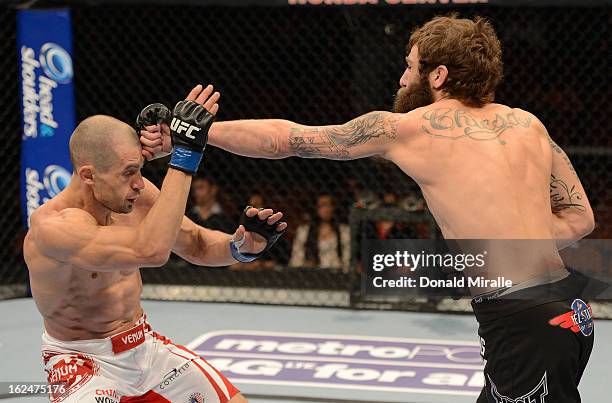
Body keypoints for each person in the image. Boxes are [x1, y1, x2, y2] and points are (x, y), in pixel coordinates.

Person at [141, 16, 597, 402]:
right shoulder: (528, 124)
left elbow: (286, 140)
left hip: (523, 322)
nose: (402, 79)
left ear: (437, 76)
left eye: (409, 66)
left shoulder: (409, 128)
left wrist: (200, 133)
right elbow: (580, 219)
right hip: (570, 309)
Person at [24, 84, 287, 403]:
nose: (139, 183)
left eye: (140, 169)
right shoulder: (53, 227)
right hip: (81, 362)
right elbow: (150, 250)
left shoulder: (135, 195)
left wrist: (240, 248)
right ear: (89, 176)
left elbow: (197, 244)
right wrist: (185, 156)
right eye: (128, 172)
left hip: (144, 346)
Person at [289, 194, 350, 271]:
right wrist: (304, 265)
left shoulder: (344, 231)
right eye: (323, 205)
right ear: (316, 208)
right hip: (311, 274)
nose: (327, 209)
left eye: (330, 205)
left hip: (337, 273)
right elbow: (296, 259)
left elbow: (347, 259)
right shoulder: (304, 231)